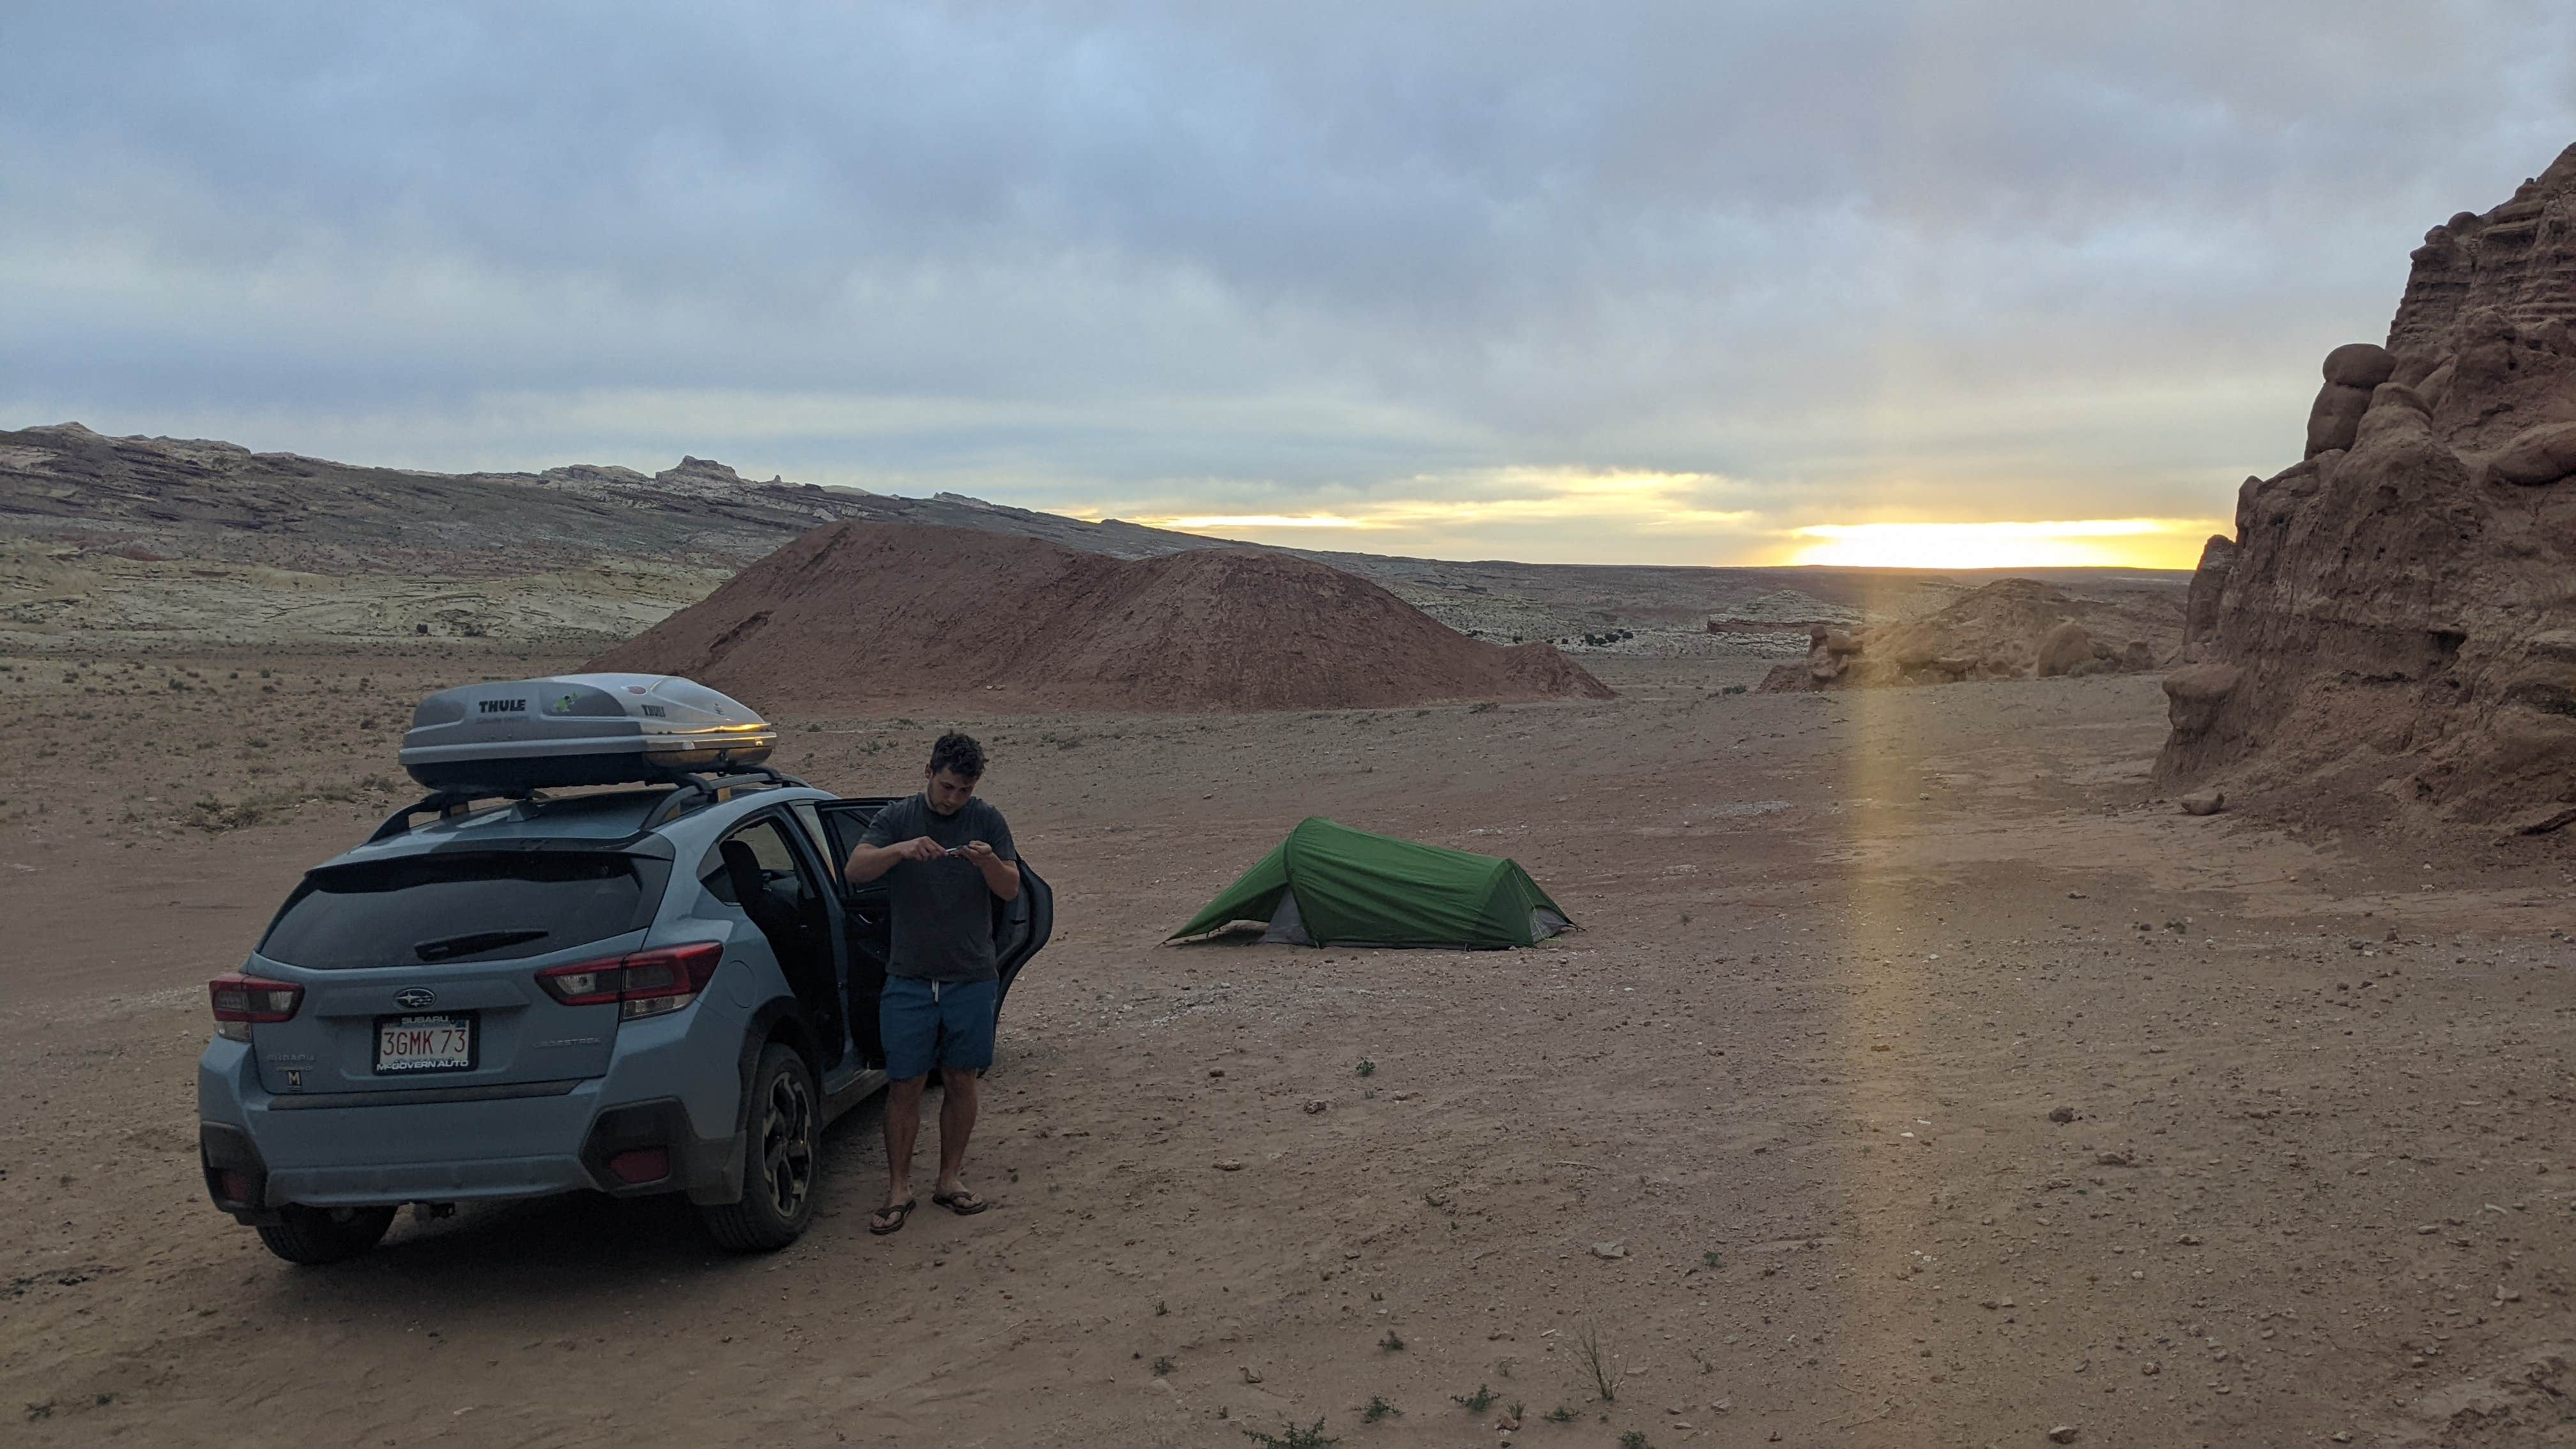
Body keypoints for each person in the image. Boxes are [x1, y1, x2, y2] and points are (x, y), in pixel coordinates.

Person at [841, 731, 1019, 1236]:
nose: (953, 798)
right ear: (929, 773)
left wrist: (986, 860)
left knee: (962, 1079)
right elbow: (855, 871)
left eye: (963, 790)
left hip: (970, 975)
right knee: (905, 1083)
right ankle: (899, 1188)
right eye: (946, 787)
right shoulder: (897, 817)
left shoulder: (988, 819)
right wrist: (899, 850)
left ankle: (950, 1179)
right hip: (910, 978)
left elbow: (1011, 888)